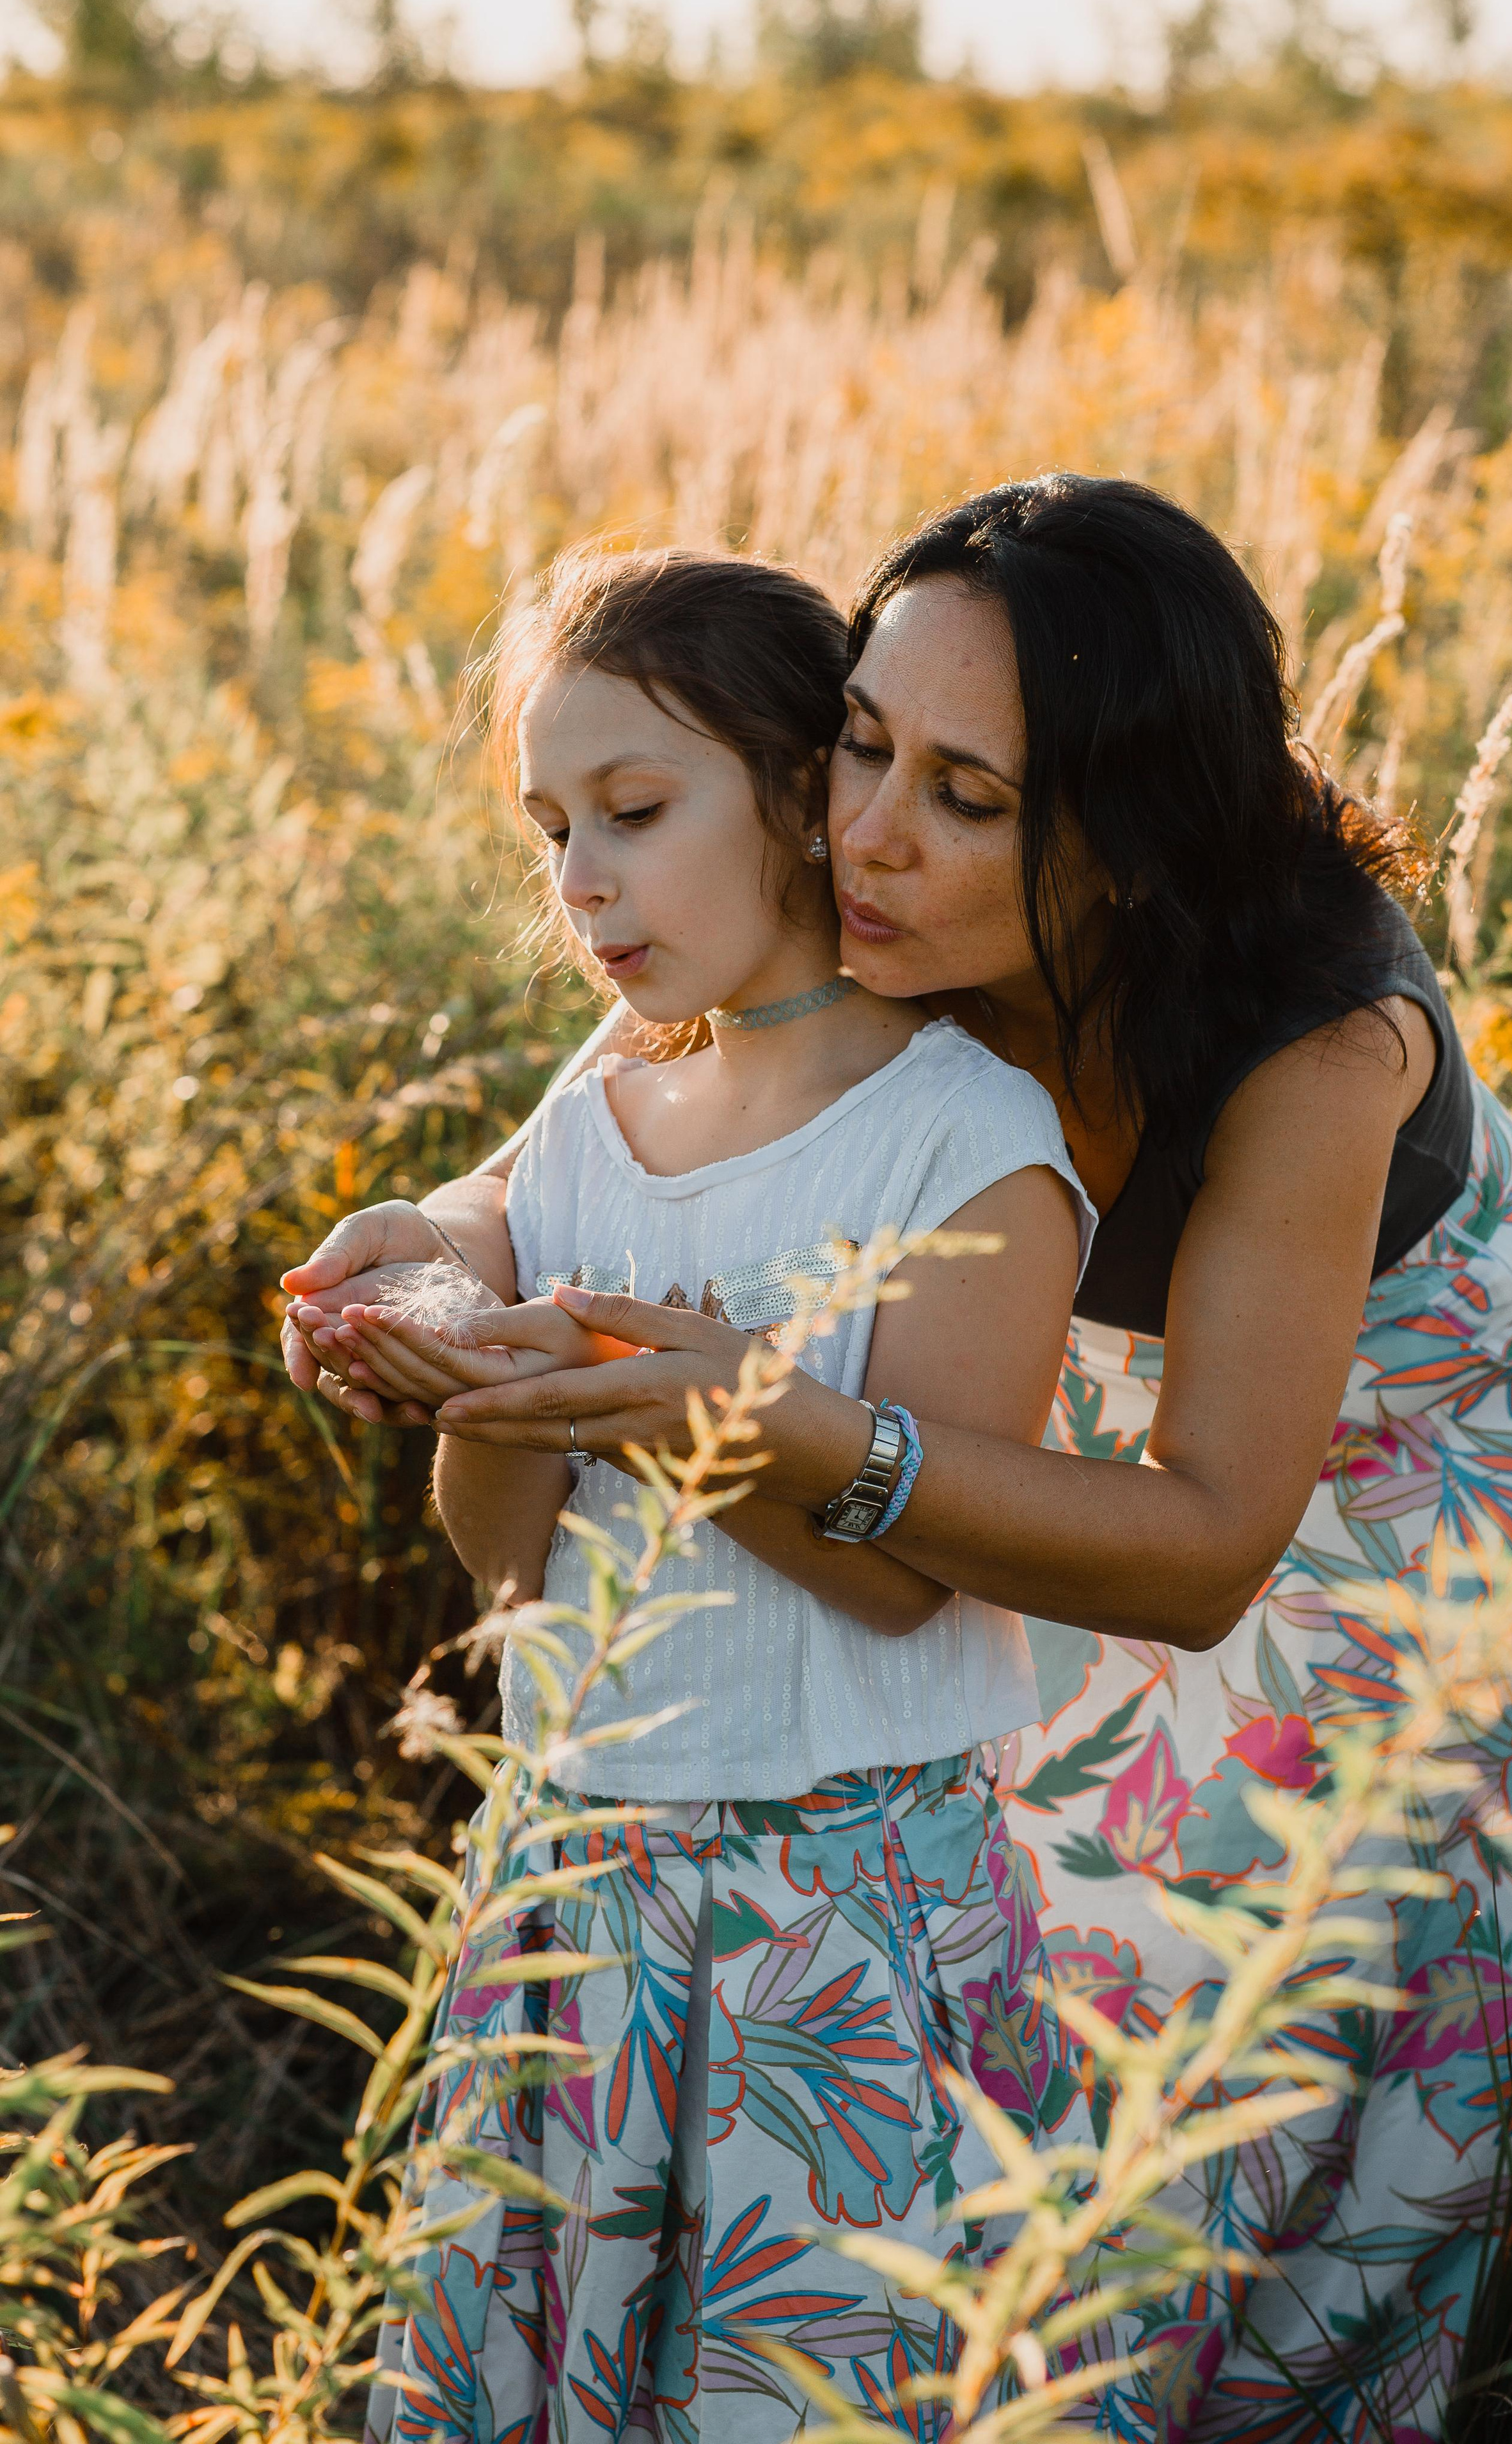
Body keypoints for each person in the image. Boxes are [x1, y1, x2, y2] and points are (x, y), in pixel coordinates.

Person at [288, 479, 1512, 2444]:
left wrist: (772, 1425)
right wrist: (454, 1238)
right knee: (1030, 1862)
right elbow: (627, 1122)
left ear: (1125, 832)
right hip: (1021, 1347)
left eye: (969, 795)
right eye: (857, 744)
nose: (867, 833)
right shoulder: (874, 900)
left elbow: (1196, 1556)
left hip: (1417, 1425)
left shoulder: (1315, 1047)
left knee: (1302, 1958)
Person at [336, 542, 1099, 2444]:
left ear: (796, 791)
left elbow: (907, 1581)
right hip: (577, 1886)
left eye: (634, 810)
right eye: (548, 827)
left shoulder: (964, 1137)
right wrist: (468, 1385)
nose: (578, 876)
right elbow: (509, 1582)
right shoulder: (591, 1123)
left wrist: (663, 1414)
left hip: (828, 1912)